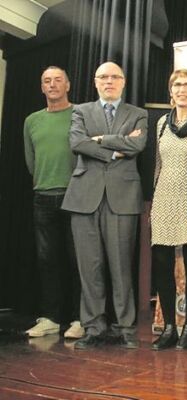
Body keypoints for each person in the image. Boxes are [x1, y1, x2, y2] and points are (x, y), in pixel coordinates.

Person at [62, 61, 147, 350]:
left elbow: (138, 146)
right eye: (103, 77)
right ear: (95, 82)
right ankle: (93, 327)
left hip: (122, 197)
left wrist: (100, 139)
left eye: (114, 77)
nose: (109, 81)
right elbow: (77, 144)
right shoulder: (80, 111)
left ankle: (124, 327)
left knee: (122, 265)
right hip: (84, 196)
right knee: (90, 266)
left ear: (123, 82)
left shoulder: (138, 114)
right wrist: (114, 151)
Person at [23, 66, 83, 340]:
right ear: (41, 87)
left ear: (68, 85)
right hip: (43, 196)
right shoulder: (31, 120)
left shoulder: (79, 114)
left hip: (75, 196)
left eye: (58, 80)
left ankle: (79, 319)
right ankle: (50, 318)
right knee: (48, 260)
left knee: (76, 260)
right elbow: (31, 160)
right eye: (47, 81)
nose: (52, 84)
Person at [150, 69, 187, 351]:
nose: (182, 89)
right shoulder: (161, 123)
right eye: (177, 85)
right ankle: (169, 326)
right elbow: (157, 164)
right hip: (163, 198)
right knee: (162, 265)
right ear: (170, 91)